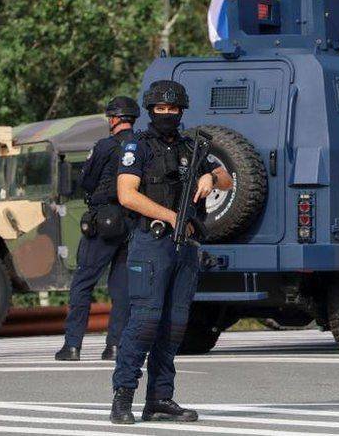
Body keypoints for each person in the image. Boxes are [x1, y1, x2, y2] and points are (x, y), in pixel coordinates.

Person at [109, 80, 233, 424]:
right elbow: (126, 194)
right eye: (160, 110)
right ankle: (123, 397)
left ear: (181, 112)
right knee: (145, 321)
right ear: (151, 111)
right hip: (152, 242)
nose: (166, 114)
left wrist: (211, 178)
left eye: (172, 109)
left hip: (186, 247)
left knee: (174, 326)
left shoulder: (191, 147)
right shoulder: (138, 146)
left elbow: (227, 179)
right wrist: (170, 216)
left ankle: (160, 398)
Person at [55, 96, 140, 362]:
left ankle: (72, 346)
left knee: (83, 283)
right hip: (133, 221)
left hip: (104, 222)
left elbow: (87, 181)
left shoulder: (104, 146)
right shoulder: (144, 145)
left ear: (114, 119)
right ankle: (114, 346)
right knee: (122, 288)